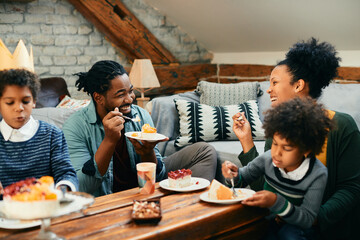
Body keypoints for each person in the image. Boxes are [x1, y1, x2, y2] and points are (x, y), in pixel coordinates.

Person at [233, 38, 360, 239]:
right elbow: (265, 186)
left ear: (298, 85)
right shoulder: (278, 128)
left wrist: (313, 218)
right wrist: (246, 140)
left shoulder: (342, 126)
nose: (268, 89)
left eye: (274, 82)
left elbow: (351, 189)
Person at [62, 60, 217, 197]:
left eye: (130, 90)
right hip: (108, 197)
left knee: (205, 151)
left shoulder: (140, 115)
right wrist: (109, 140)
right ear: (98, 98)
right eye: (121, 94)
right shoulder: (75, 126)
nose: (130, 99)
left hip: (142, 189)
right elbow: (82, 188)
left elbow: (158, 174)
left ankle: (192, 209)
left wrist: (147, 152)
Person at [223, 97, 333, 239]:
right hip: (268, 218)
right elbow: (242, 179)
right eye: (275, 144)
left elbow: (307, 219)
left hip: (297, 228)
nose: (277, 153)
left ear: (306, 150)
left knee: (289, 234)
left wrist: (276, 202)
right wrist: (232, 175)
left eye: (286, 148)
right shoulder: (268, 158)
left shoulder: (317, 174)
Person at [0, 69, 78, 191]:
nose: (19, 108)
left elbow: (66, 174)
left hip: (45, 205)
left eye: (25, 101)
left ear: (34, 101)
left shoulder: (52, 134)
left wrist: (62, 189)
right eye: (10, 102)